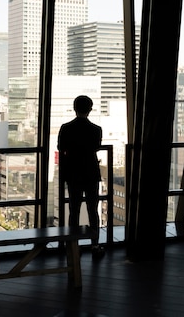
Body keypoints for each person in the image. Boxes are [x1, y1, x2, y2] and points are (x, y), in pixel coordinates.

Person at [58, 95, 104, 258]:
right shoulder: (96, 129)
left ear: (74, 108)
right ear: (90, 109)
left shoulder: (66, 128)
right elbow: (96, 147)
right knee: (93, 209)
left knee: (74, 209)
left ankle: (73, 245)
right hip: (91, 172)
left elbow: (61, 147)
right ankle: (95, 245)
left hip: (73, 173)